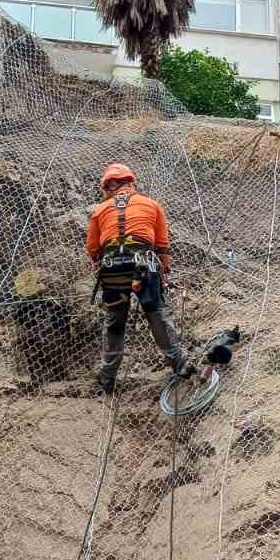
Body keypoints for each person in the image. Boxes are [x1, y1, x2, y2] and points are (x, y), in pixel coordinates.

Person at [86, 164, 188, 393]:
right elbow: (163, 247)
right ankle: (179, 363)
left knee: (115, 322)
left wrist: (99, 261)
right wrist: (162, 273)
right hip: (144, 264)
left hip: (112, 268)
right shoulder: (152, 205)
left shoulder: (100, 211)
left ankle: (107, 377)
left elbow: (93, 249)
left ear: (111, 185)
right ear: (130, 183)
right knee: (156, 313)